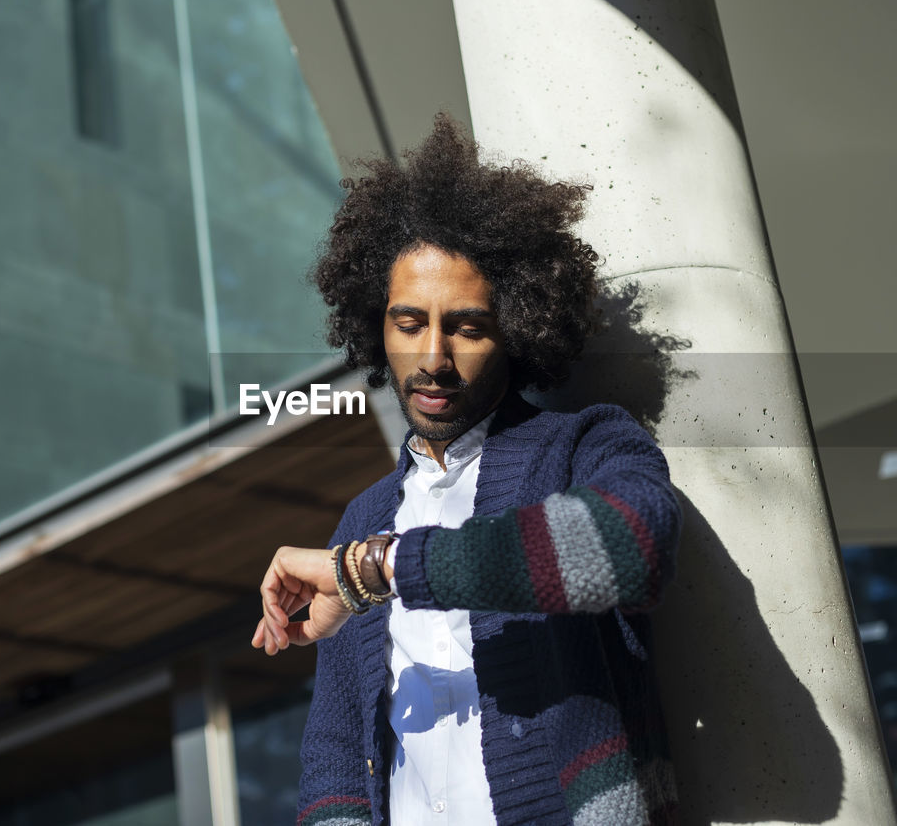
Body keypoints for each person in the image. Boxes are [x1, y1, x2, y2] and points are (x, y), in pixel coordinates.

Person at [251, 115, 682, 826]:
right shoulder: (361, 521)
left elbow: (631, 546)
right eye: (409, 322)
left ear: (518, 327)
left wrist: (377, 571)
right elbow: (334, 757)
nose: (433, 358)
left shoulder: (581, 445)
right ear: (376, 326)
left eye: (468, 327)